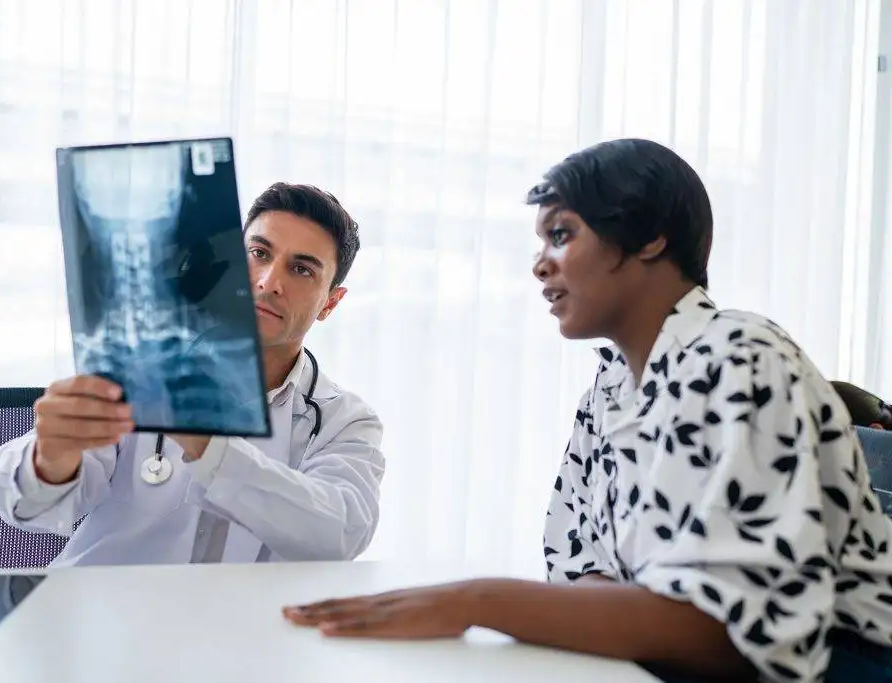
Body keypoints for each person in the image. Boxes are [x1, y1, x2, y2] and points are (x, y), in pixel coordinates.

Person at [283, 139, 892, 683]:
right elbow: (579, 571)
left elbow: (726, 635)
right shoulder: (607, 389)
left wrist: (473, 601)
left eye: (562, 234)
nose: (540, 264)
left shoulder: (743, 355)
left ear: (650, 237)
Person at [0, 182, 385, 566]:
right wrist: (52, 458)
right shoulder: (140, 370)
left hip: (244, 631)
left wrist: (210, 447)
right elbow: (26, 505)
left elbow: (340, 535)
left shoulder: (344, 420)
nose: (268, 282)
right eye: (259, 253)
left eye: (301, 270)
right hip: (106, 620)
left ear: (330, 302)